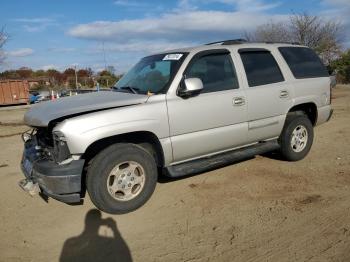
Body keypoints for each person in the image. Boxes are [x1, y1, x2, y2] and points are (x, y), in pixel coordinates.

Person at [60, 209, 132, 262]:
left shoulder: (70, 243)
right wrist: (115, 230)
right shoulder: (107, 243)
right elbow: (126, 256)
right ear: (100, 223)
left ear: (85, 222)